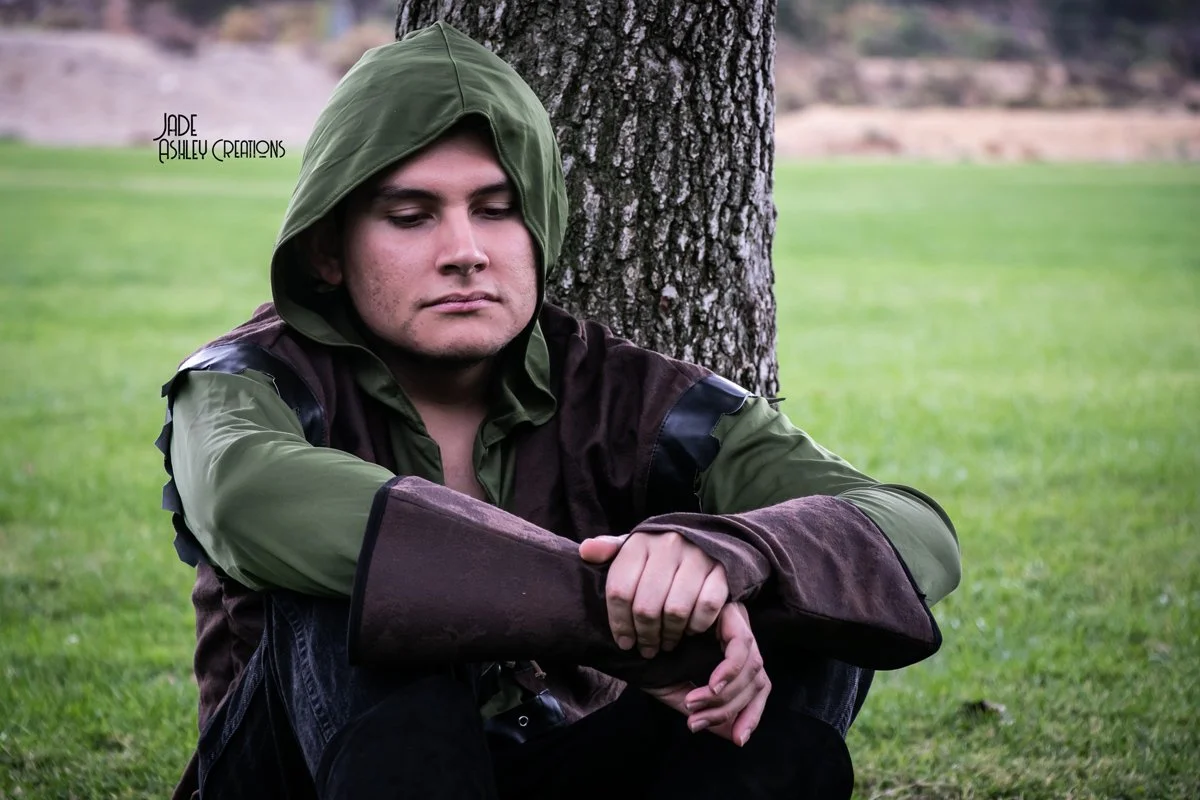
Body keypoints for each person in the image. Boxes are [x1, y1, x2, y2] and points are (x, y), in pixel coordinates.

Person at [156, 21, 961, 800]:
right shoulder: (249, 379)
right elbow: (245, 494)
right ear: (328, 248)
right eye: (411, 216)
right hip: (303, 771)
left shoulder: (630, 396)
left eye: (498, 209)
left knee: (811, 590)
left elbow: (911, 534)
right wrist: (608, 614)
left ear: (540, 225)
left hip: (558, 763)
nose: (465, 251)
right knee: (357, 589)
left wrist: (730, 557)